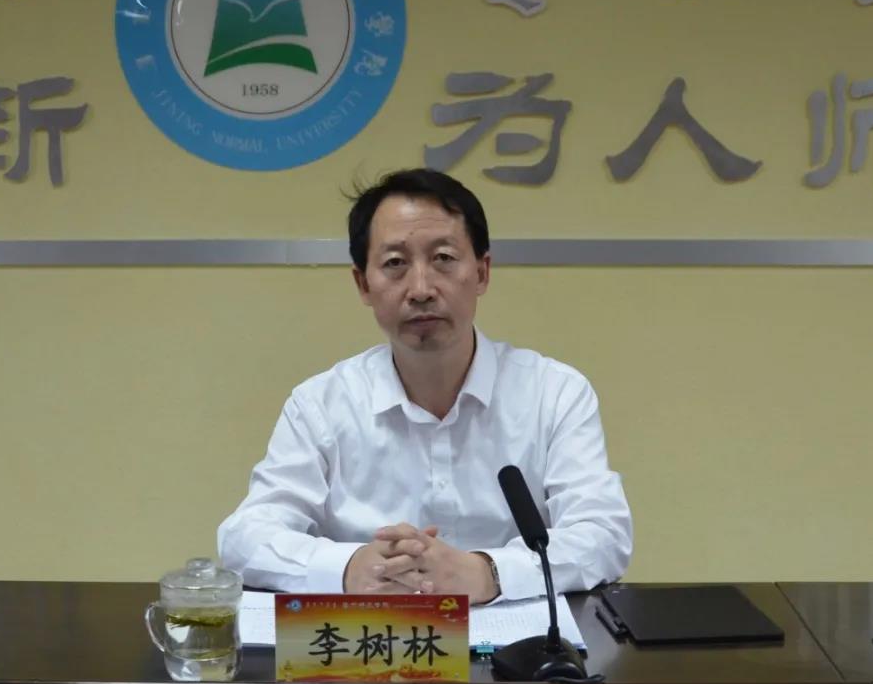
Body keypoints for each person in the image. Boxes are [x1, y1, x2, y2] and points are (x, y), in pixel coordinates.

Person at [217, 168, 632, 603]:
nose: (420, 289)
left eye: (443, 258)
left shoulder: (554, 393)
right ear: (363, 284)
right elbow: (244, 538)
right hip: (369, 639)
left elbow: (603, 534)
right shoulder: (320, 404)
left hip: (520, 643)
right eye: (395, 264)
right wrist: (349, 566)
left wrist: (486, 572)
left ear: (482, 272)